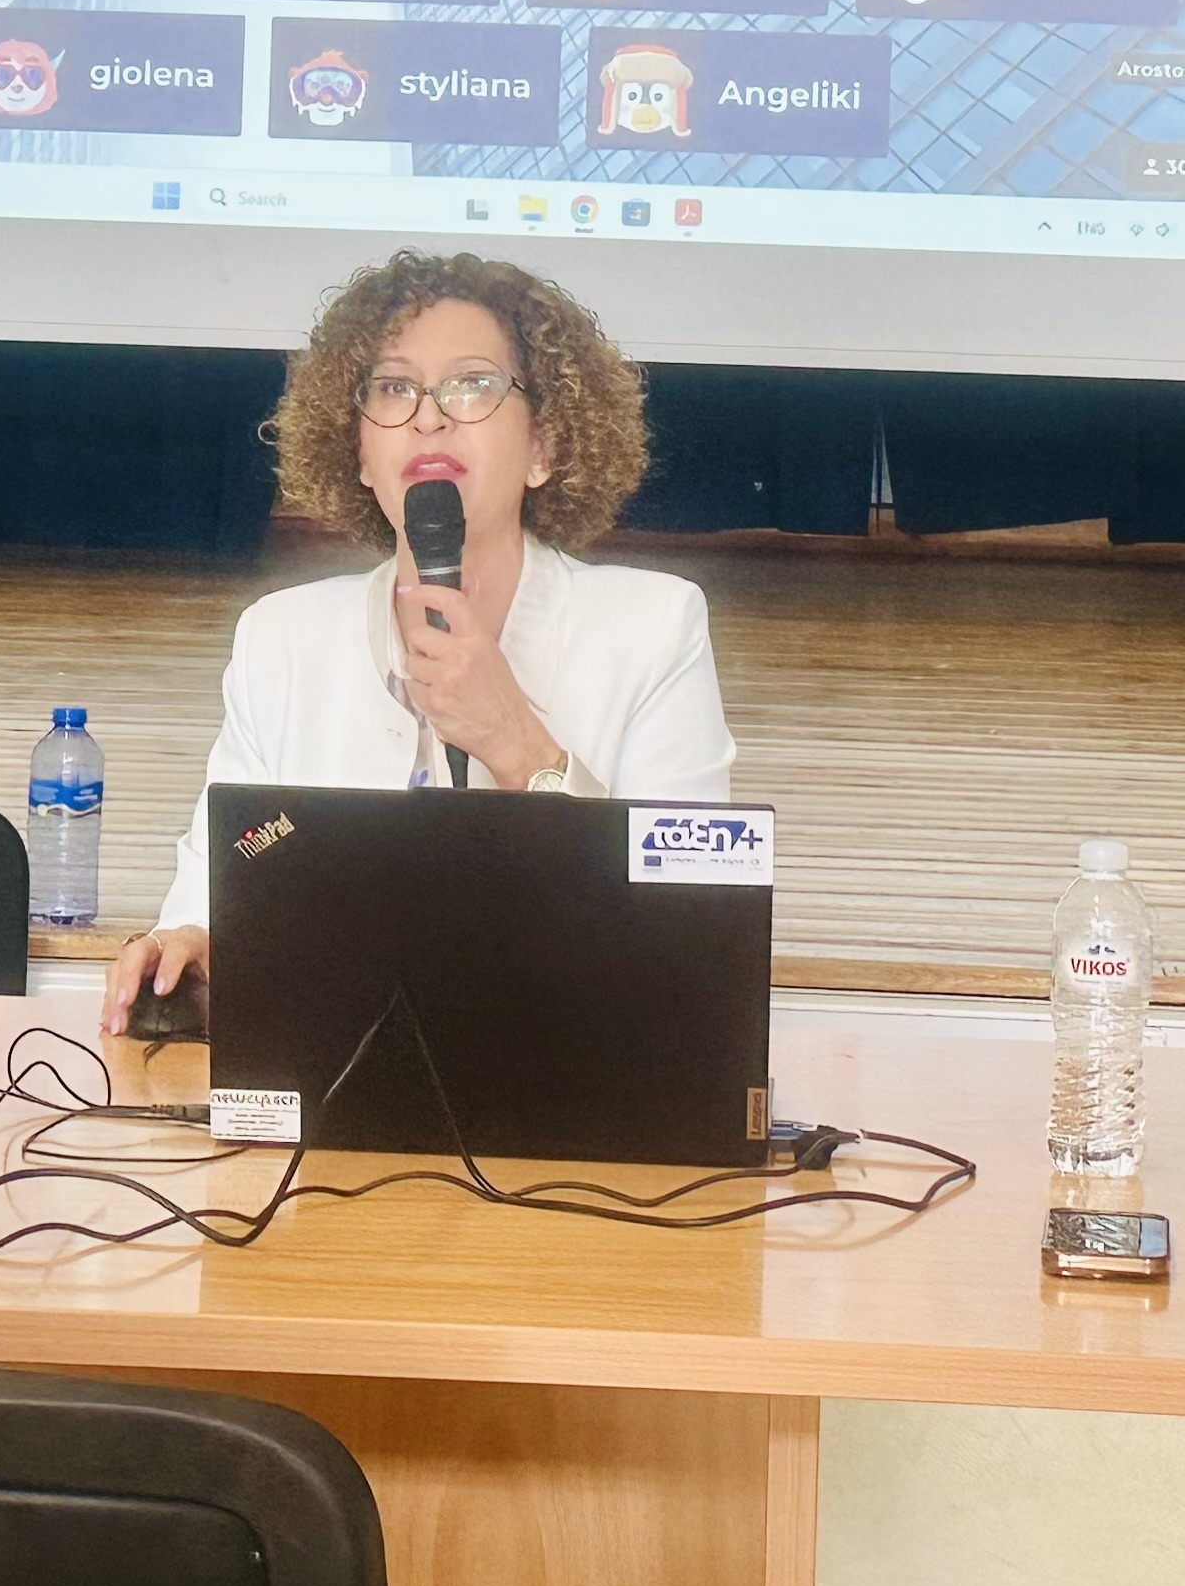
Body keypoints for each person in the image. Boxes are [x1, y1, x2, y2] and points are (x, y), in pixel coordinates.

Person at [101, 249, 735, 1035]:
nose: (427, 417)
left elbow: (690, 939)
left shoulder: (652, 628)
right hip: (334, 1070)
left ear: (543, 447)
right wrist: (190, 950)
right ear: (359, 457)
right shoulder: (283, 639)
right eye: (393, 389)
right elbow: (220, 884)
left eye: (471, 384)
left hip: (576, 1058)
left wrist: (518, 747)